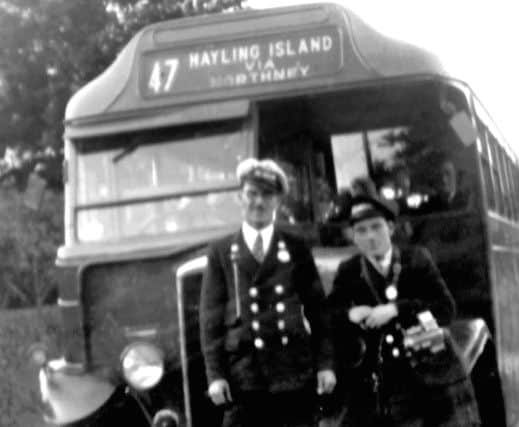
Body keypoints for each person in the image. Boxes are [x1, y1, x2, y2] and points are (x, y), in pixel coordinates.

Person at [200, 158, 336, 427]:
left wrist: (325, 364)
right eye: (252, 194)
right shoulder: (221, 251)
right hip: (245, 376)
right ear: (240, 198)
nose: (259, 202)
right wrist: (215, 376)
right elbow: (210, 320)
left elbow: (319, 311)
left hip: (292, 373)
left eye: (267, 195)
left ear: (278, 201)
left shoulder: (296, 247)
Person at [326, 194, 480, 426]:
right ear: (353, 237)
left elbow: (445, 309)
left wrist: (397, 310)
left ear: (390, 228)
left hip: (431, 375)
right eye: (361, 230)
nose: (370, 237)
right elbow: (327, 316)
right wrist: (349, 314)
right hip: (382, 380)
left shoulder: (416, 259)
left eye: (376, 227)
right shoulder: (348, 271)